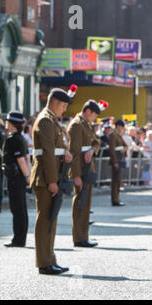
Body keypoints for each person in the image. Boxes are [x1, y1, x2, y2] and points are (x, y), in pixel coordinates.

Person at [31, 88, 74, 275]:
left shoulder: (51, 120)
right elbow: (47, 153)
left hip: (49, 176)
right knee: (45, 221)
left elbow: (54, 150)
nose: (64, 110)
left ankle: (49, 259)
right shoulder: (46, 121)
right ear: (55, 102)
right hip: (45, 177)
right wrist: (52, 180)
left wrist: (64, 153)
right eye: (63, 105)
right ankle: (44, 261)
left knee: (51, 220)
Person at [67, 100, 105, 248]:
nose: (94, 118)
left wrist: (91, 150)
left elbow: (97, 141)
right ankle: (79, 238)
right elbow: (74, 152)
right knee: (80, 204)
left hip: (88, 167)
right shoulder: (77, 125)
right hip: (80, 168)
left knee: (86, 203)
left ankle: (83, 236)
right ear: (88, 111)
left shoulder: (86, 124)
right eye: (94, 114)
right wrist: (76, 175)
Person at [2, 112, 30, 248]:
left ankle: (18, 239)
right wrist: (28, 176)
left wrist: (27, 176)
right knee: (21, 208)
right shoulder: (21, 138)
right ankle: (20, 238)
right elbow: (27, 158)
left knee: (17, 209)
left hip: (15, 177)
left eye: (8, 121)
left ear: (12, 123)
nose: (6, 123)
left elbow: (21, 160)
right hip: (19, 177)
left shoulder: (13, 139)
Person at [109, 120, 128, 206]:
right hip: (117, 159)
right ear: (118, 126)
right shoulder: (113, 135)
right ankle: (115, 199)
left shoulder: (118, 135)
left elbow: (125, 145)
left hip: (120, 158)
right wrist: (115, 161)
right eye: (121, 127)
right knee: (115, 180)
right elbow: (112, 149)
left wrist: (124, 149)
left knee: (118, 180)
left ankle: (117, 198)